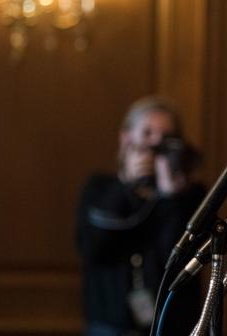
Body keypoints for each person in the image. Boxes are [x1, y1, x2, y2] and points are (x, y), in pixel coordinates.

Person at [76, 95, 205, 336]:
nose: (156, 144)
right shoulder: (99, 189)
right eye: (147, 134)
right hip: (108, 325)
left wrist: (171, 198)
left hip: (172, 326)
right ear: (126, 139)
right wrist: (127, 187)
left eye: (166, 138)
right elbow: (93, 248)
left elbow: (178, 260)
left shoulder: (192, 196)